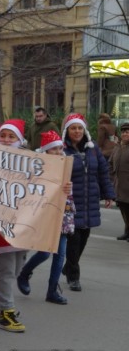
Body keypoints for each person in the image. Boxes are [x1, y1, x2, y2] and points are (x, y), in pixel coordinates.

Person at [17, 131, 75, 305]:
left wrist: (68, 189)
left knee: (60, 254)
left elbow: (67, 190)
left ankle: (52, 290)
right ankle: (24, 273)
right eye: (53, 149)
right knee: (44, 253)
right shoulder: (37, 166)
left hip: (62, 213)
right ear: (46, 151)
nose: (58, 152)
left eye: (59, 148)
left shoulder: (65, 164)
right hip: (44, 213)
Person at [0, 119, 29, 332]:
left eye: (12, 137)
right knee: (8, 269)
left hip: (22, 223)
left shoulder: (30, 161)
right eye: (3, 135)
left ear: (19, 140)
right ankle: (6, 313)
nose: (6, 140)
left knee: (17, 269)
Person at [61, 113, 114, 291]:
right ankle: (73, 276)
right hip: (70, 204)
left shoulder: (93, 149)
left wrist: (108, 194)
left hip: (90, 199)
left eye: (79, 128)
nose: (77, 131)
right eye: (73, 128)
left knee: (84, 238)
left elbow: (103, 172)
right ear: (67, 130)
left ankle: (68, 266)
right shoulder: (61, 150)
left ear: (84, 130)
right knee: (74, 240)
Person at [110, 122, 129, 240]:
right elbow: (110, 164)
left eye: (127, 132)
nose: (125, 134)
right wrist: (110, 179)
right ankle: (127, 232)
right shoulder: (118, 147)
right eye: (123, 132)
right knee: (123, 209)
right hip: (119, 185)